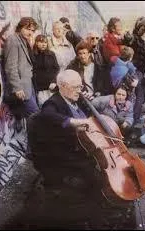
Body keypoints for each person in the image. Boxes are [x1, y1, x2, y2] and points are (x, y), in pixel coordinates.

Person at [26, 69, 134, 229]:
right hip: (63, 155)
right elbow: (47, 116)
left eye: (80, 86)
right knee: (96, 176)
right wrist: (72, 122)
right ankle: (95, 218)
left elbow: (93, 117)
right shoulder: (53, 103)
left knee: (100, 172)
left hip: (80, 150)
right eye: (76, 87)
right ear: (63, 86)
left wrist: (88, 103)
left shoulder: (75, 100)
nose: (80, 90)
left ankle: (102, 208)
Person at [3, 17, 39, 119]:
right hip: (21, 88)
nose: (30, 32)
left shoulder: (24, 40)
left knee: (33, 117)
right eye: (28, 29)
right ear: (20, 27)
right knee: (36, 115)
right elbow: (10, 67)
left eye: (32, 30)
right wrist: (17, 88)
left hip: (28, 85)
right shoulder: (13, 40)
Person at [33, 34, 60, 107]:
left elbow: (57, 68)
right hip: (41, 89)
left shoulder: (51, 54)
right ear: (36, 43)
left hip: (52, 87)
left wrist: (54, 81)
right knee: (43, 106)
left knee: (55, 106)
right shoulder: (33, 55)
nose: (43, 44)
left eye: (45, 42)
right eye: (41, 42)